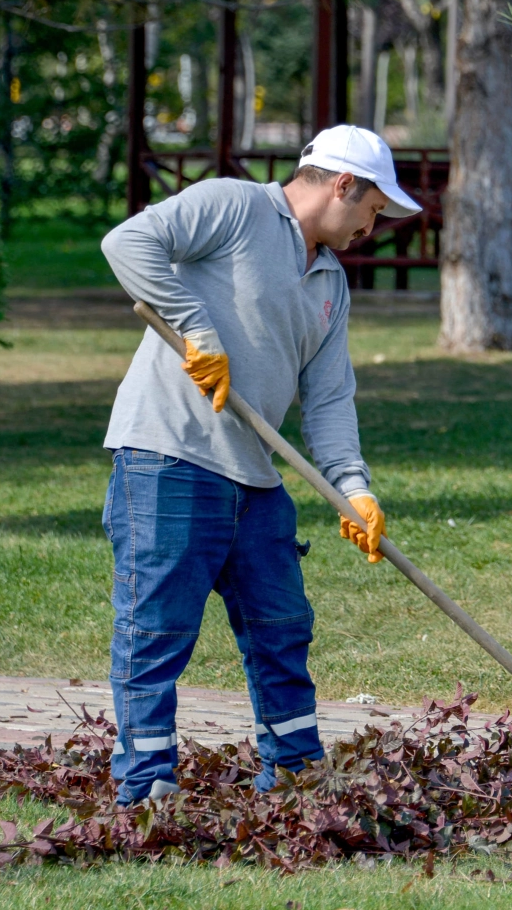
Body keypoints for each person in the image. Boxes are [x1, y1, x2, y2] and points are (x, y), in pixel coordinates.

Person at [98, 125, 422, 804]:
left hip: (256, 478)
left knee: (282, 626)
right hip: (170, 457)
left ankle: (296, 772)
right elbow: (126, 243)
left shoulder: (330, 279)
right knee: (157, 627)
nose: (375, 224)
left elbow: (330, 399)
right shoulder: (235, 206)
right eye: (373, 208)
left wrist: (353, 492)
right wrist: (196, 330)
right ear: (342, 185)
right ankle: (148, 786)